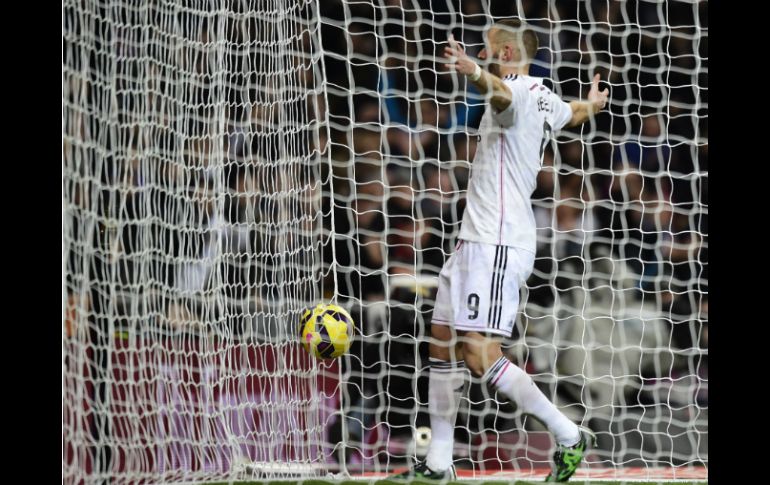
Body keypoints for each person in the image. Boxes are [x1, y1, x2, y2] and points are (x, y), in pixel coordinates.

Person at [392, 19, 609, 482]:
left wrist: (472, 71)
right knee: (442, 343)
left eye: (488, 48)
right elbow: (571, 113)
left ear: (507, 54)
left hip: (498, 243)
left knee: (478, 354)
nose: (482, 52)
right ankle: (439, 464)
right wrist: (591, 105)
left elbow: (502, 97)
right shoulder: (545, 97)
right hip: (474, 240)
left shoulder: (518, 93)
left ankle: (569, 434)